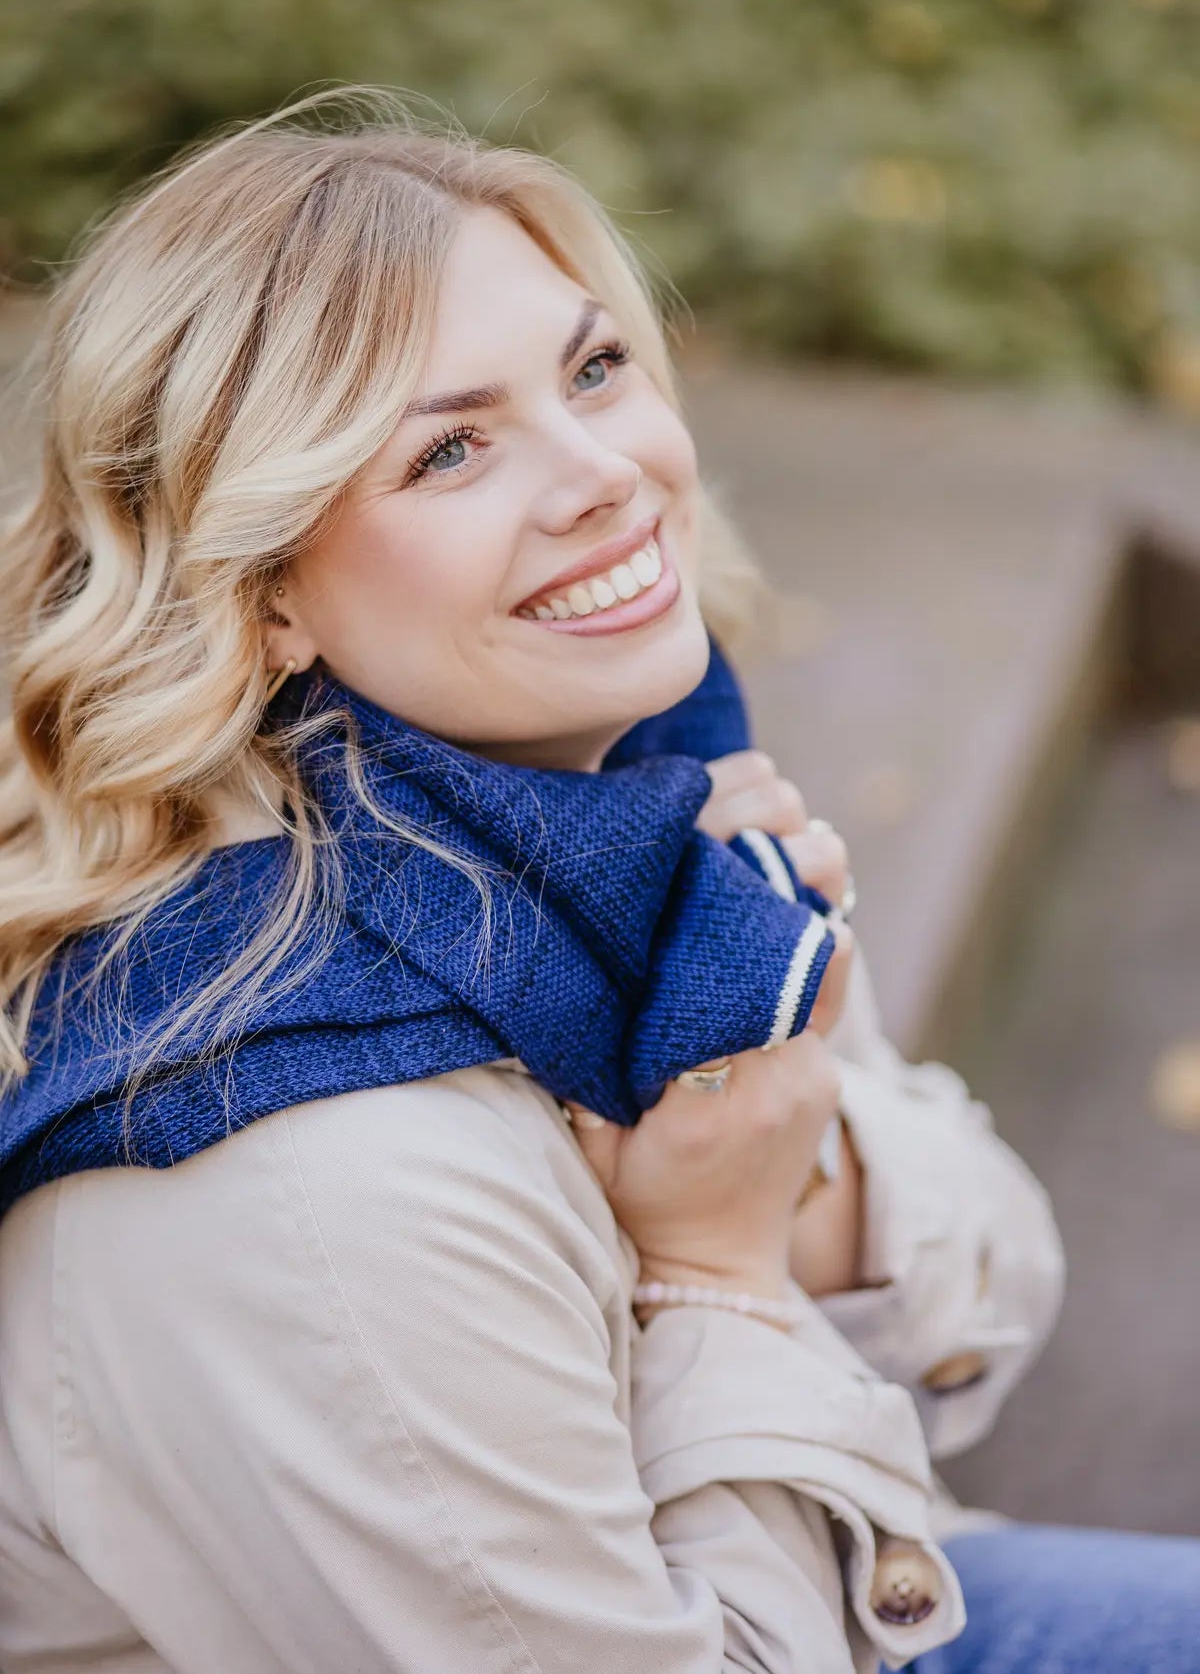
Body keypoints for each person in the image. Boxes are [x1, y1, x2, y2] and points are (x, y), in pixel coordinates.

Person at [0, 89, 1195, 1674]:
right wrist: (710, 1274)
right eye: (448, 450)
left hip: (822, 1579)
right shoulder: (298, 1160)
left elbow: (994, 1283)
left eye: (593, 368)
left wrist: (780, 1175)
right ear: (262, 587)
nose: (607, 476)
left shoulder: (613, 803)